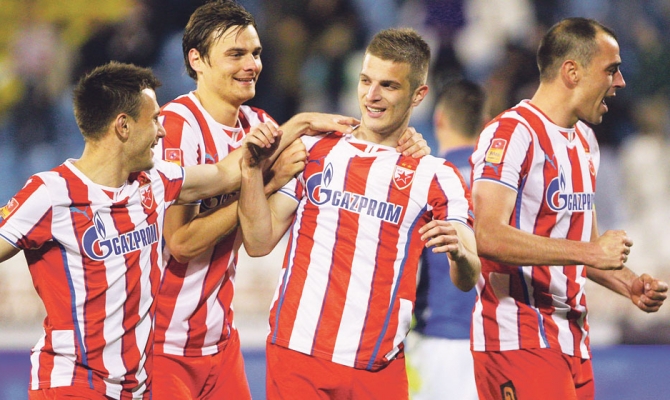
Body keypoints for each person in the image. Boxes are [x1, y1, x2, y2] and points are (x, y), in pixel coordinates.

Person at [0, 61, 353, 400]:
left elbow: (225, 173)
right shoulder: (51, 193)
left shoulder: (154, 181)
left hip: (132, 388)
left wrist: (300, 124)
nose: (163, 130)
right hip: (71, 384)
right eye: (154, 120)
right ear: (123, 126)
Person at [152, 2, 430, 399]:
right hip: (162, 341)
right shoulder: (177, 125)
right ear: (197, 60)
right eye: (236, 54)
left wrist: (406, 141)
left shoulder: (260, 125)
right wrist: (267, 182)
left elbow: (261, 234)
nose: (251, 65)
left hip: (218, 337)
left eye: (256, 53)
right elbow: (181, 244)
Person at [237, 28, 481, 399]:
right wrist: (251, 171)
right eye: (366, 81)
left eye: (388, 85)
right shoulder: (315, 149)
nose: (372, 95)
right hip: (297, 356)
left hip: (377, 369)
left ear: (418, 95)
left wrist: (460, 254)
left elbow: (468, 276)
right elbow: (258, 241)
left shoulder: (436, 175)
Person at [469, 17, 668, 400]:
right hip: (518, 338)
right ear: (572, 72)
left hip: (572, 339)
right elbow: (486, 235)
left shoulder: (585, 142)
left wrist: (629, 284)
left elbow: (582, 248)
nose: (620, 82)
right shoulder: (512, 134)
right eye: (611, 70)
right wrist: (590, 252)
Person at [406, 78, 488, 400]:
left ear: (439, 119)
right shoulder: (505, 184)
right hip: (494, 339)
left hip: (438, 336)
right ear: (485, 124)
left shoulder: (425, 182)